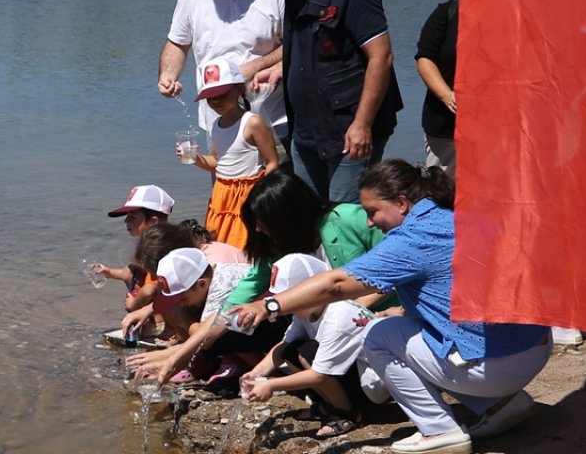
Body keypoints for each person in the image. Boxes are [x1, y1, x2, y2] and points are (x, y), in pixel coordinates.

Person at [225, 160, 551, 454]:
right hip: (534, 339)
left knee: (378, 335)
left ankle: (439, 432)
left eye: (372, 211)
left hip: (499, 360)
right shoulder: (452, 215)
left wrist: (270, 305)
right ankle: (501, 405)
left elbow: (336, 284)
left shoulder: (410, 240)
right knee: (419, 328)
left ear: (401, 204)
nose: (368, 223)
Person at [126, 170, 387, 384]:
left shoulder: (348, 220)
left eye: (263, 221)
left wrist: (358, 307)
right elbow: (226, 313)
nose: (259, 229)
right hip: (310, 322)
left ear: (287, 216)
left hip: (369, 317)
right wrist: (173, 359)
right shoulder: (274, 248)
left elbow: (398, 269)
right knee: (229, 331)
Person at [264, 0, 404, 202]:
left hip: (349, 133)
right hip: (306, 133)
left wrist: (363, 124)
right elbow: (301, 55)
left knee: (344, 221)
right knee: (308, 220)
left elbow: (381, 57)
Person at [157, 0, 288, 143]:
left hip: (274, 121)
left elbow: (299, 44)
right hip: (218, 122)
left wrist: (258, 66)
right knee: (225, 180)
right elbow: (178, 43)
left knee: (278, 179)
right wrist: (168, 75)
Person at [240, 253, 387, 440]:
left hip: (373, 384)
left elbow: (318, 374)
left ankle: (347, 414)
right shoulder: (308, 309)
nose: (286, 305)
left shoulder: (338, 316)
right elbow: (284, 346)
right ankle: (327, 403)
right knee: (291, 350)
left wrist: (271, 385)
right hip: (350, 373)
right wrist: (256, 373)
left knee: (307, 353)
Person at [184, 56, 281, 249]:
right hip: (222, 194)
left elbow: (272, 162)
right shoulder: (215, 126)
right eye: (210, 97)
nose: (216, 100)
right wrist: (195, 158)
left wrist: (260, 193)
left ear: (239, 89)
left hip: (247, 192)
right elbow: (217, 162)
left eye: (222, 94)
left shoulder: (252, 122)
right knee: (219, 243)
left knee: (246, 244)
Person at [121, 247, 250, 379]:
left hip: (266, 333)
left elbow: (205, 339)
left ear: (202, 284)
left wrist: (165, 357)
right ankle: (202, 361)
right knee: (176, 310)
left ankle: (254, 369)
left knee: (222, 335)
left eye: (184, 298)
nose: (182, 303)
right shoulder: (210, 274)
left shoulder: (221, 286)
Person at [94, 185, 175, 312]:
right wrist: (109, 272)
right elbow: (129, 272)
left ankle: (157, 322)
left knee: (137, 273)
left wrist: (134, 304)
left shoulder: (158, 247)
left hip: (170, 303)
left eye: (132, 217)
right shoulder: (152, 241)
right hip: (165, 299)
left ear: (153, 222)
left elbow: (149, 290)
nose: (126, 221)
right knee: (134, 269)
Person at [415, 0, 458, 177]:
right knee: (443, 192)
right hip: (444, 124)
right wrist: (447, 95)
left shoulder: (508, 17)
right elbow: (425, 58)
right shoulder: (446, 13)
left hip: (494, 127)